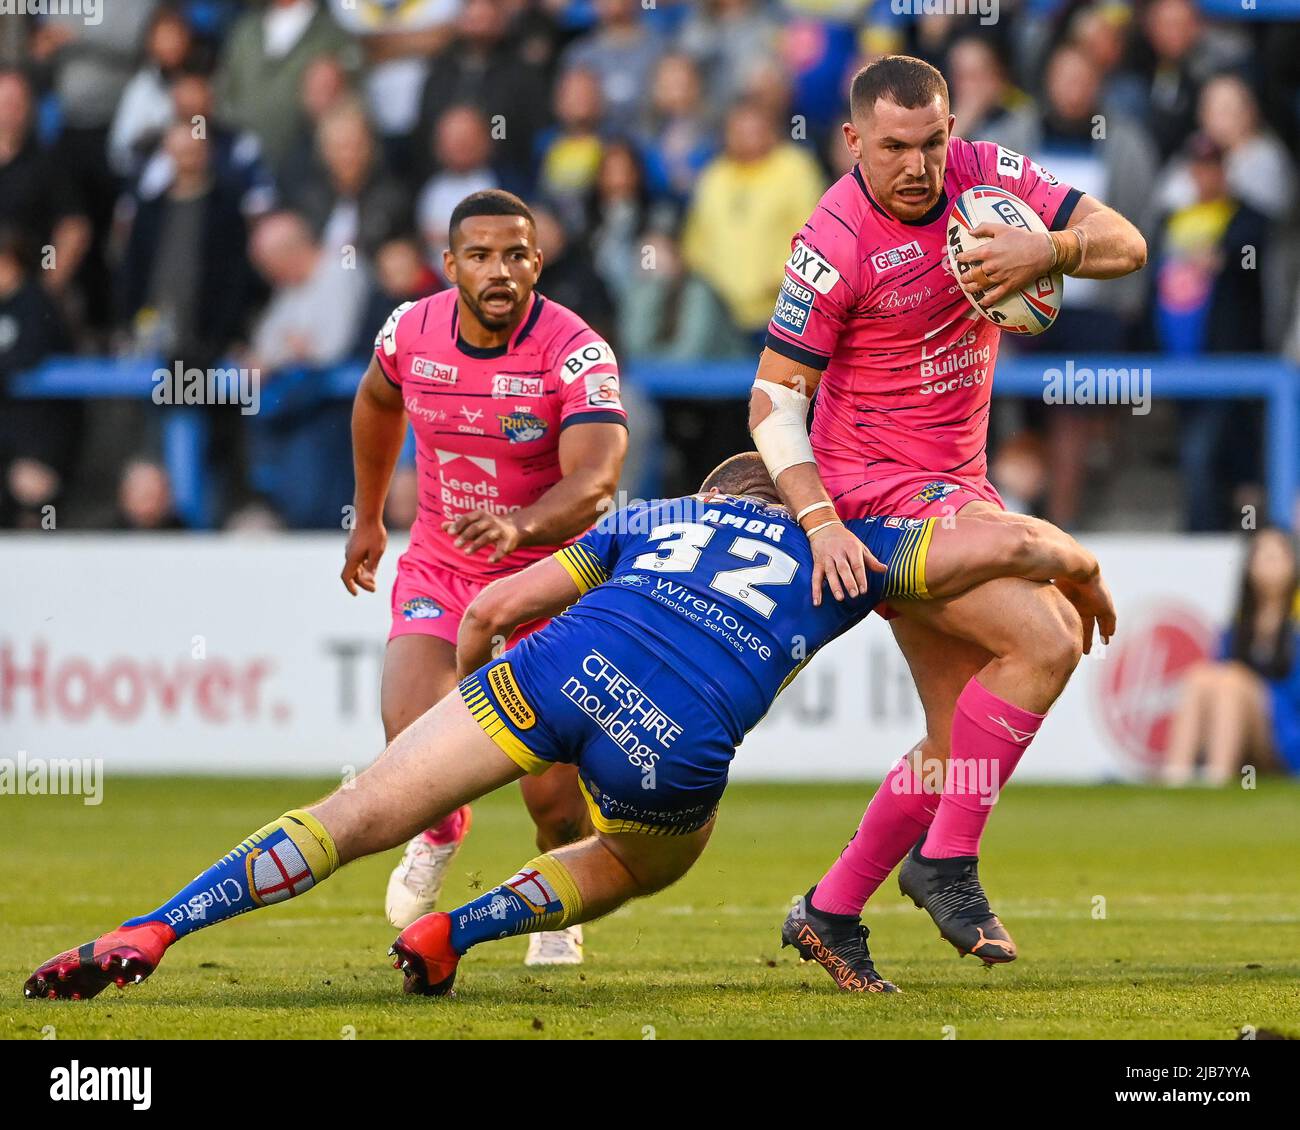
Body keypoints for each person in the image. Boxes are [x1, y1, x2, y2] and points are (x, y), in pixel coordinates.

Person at [23, 453, 1112, 1001]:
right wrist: (1081, 567)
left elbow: (493, 610)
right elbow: (1008, 543)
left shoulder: (652, 517)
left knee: (353, 813)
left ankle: (155, 928)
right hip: (671, 741)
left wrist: (481, 722)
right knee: (644, 860)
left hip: (546, 673)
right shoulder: (842, 551)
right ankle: (458, 933)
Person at [748, 55, 1143, 985]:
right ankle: (947, 864)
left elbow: (1125, 243)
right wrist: (822, 524)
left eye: (933, 142)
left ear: (953, 130)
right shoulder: (832, 241)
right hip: (874, 500)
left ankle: (830, 909)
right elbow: (771, 400)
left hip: (956, 485)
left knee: (953, 742)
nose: (919, 166)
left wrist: (1050, 250)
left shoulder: (986, 174)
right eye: (894, 148)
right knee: (1047, 639)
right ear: (854, 141)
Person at [341, 189, 627, 966]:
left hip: (549, 583)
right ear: (450, 264)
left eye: (514, 255)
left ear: (538, 261)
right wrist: (368, 517)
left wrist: (520, 527)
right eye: (479, 255)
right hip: (442, 567)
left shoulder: (576, 352)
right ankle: (441, 831)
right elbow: (375, 402)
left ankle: (558, 902)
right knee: (408, 742)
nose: (498, 270)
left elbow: (597, 479)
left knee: (554, 799)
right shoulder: (410, 330)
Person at [1165, 528, 1300, 785]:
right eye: (1262, 556)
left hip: (1284, 736)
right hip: (1240, 727)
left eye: (1276, 556)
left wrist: (1256, 692)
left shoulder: (1295, 628)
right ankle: (1175, 775)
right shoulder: (1237, 628)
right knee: (1199, 676)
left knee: (1232, 681)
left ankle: (1218, 775)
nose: (1268, 564)